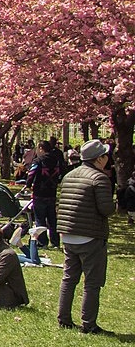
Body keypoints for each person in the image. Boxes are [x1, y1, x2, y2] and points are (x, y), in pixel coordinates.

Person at [56, 139, 116, 333]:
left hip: (68, 234)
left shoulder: (69, 175)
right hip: (90, 235)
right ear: (100, 158)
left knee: (69, 279)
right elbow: (106, 209)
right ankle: (88, 324)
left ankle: (63, 318)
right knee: (92, 282)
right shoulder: (99, 178)